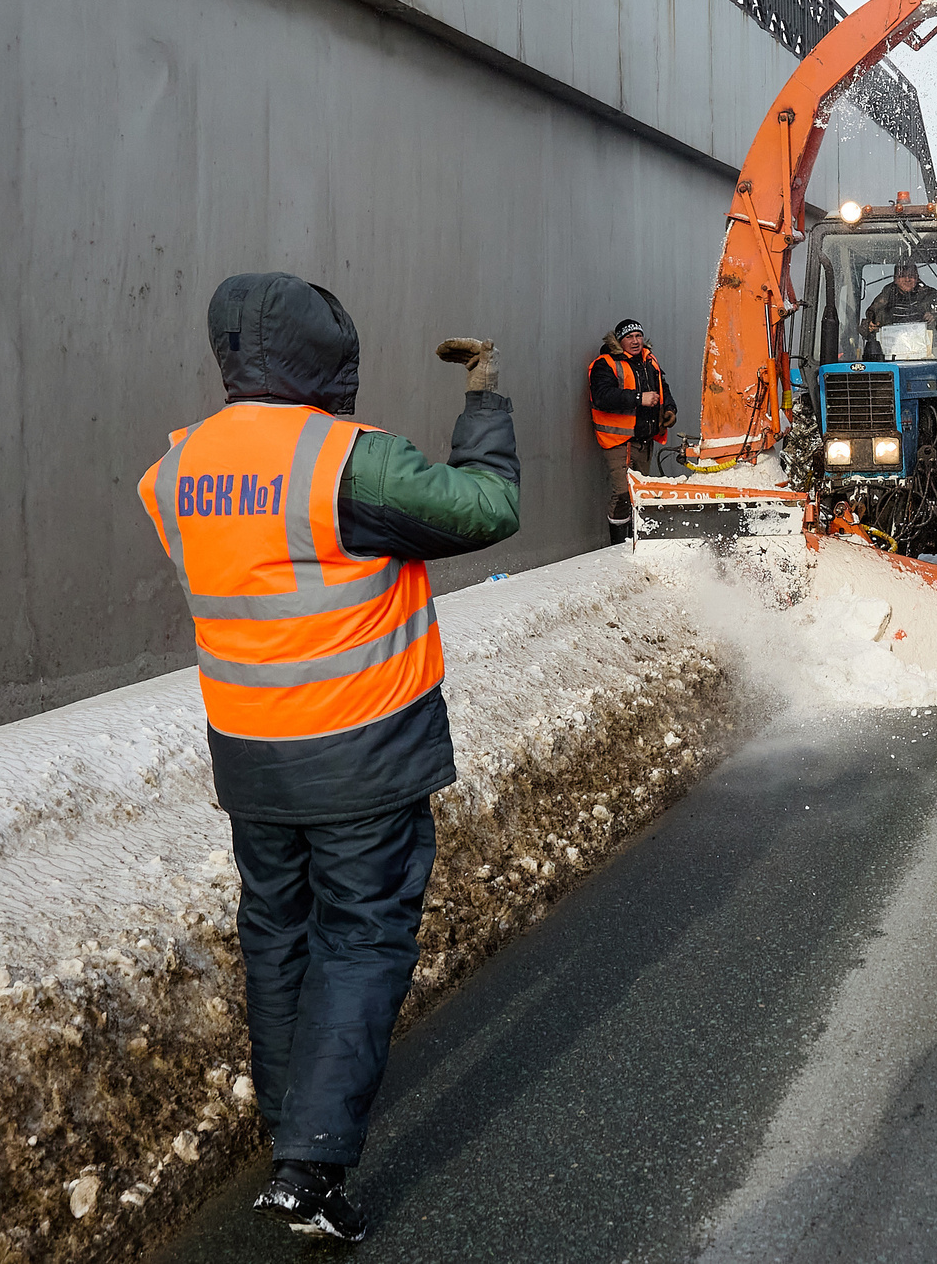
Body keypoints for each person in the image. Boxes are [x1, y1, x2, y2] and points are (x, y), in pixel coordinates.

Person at [136, 273, 520, 1243]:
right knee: (360, 938)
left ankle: (290, 1139)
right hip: (363, 752)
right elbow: (484, 509)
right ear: (326, 357)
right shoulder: (349, 462)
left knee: (278, 939)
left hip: (254, 757)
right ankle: (312, 1164)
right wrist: (482, 399)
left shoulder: (177, 471)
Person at [588, 319, 675, 542]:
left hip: (644, 440)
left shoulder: (649, 361)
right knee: (623, 494)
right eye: (629, 337)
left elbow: (662, 387)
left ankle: (635, 542)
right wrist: (639, 398)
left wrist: (670, 409)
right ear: (619, 341)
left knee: (640, 494)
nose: (635, 341)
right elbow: (602, 397)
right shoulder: (605, 364)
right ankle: (617, 545)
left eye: (638, 336)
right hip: (619, 441)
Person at [860, 265, 937, 353]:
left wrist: (934, 317)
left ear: (917, 278)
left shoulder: (931, 296)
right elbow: (871, 319)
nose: (907, 279)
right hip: (890, 352)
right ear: (895, 279)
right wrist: (872, 325)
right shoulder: (885, 298)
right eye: (902, 276)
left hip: (929, 350)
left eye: (911, 276)